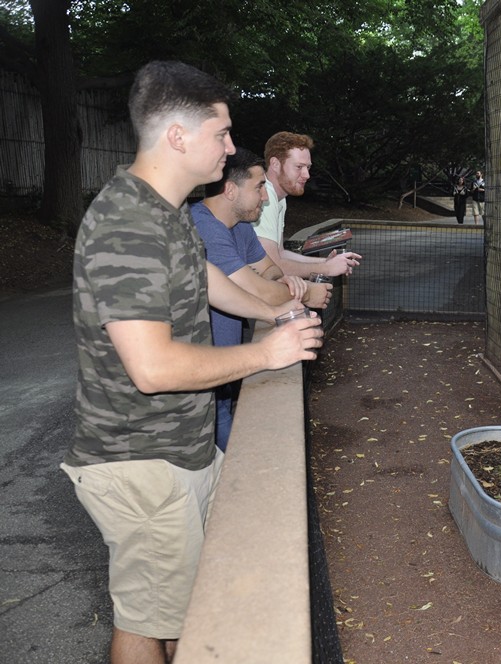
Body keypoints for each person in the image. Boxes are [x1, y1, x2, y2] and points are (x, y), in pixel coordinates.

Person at [61, 60, 323, 664]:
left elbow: (205, 279)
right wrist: (263, 354)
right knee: (147, 621)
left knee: (186, 609)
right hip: (139, 463)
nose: (231, 147)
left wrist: (275, 312)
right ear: (177, 136)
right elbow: (151, 368)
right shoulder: (126, 224)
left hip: (181, 448)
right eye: (221, 134)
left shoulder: (167, 208)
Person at [192, 147, 333, 451]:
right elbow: (255, 290)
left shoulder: (240, 226)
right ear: (230, 190)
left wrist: (283, 280)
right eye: (258, 187)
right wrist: (306, 292)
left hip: (224, 375)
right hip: (202, 383)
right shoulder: (204, 228)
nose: (266, 197)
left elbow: (267, 271)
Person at [252, 131, 362, 278]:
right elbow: (273, 265)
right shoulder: (265, 198)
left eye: (308, 167)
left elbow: (281, 253)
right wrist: (326, 268)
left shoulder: (279, 198)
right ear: (275, 164)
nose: (307, 175)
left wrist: (326, 262)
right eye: (299, 167)